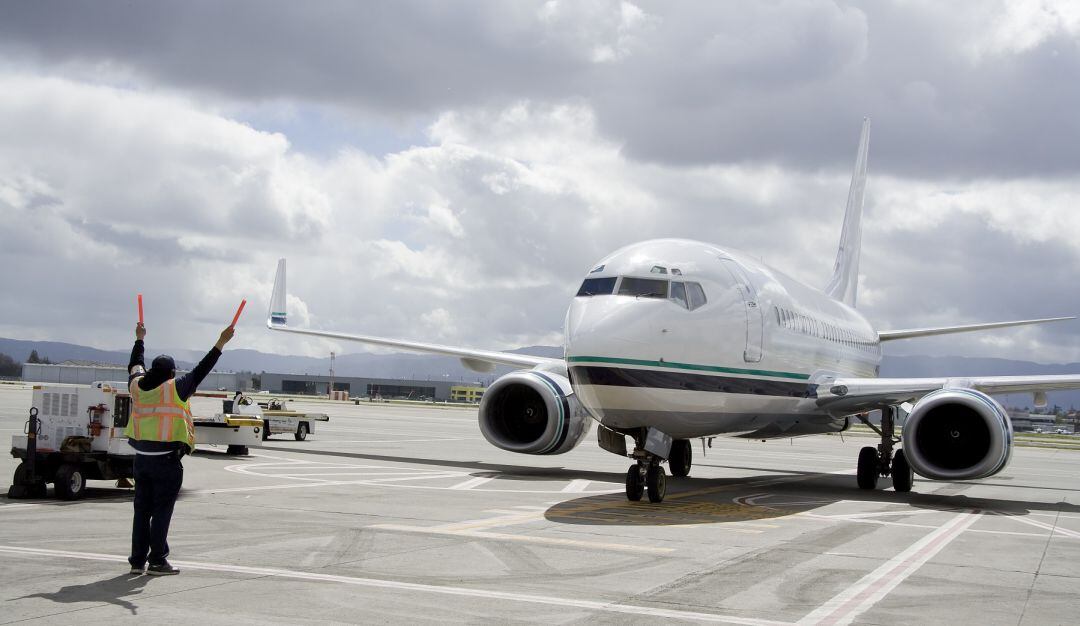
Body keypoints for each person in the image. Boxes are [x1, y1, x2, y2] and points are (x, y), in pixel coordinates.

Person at [125, 322, 234, 576]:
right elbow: (201, 370)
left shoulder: (136, 386)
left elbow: (135, 364)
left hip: (140, 460)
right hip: (165, 461)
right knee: (162, 510)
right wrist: (221, 343)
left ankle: (136, 561)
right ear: (172, 373)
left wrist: (139, 339)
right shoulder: (175, 388)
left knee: (141, 511)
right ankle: (158, 561)